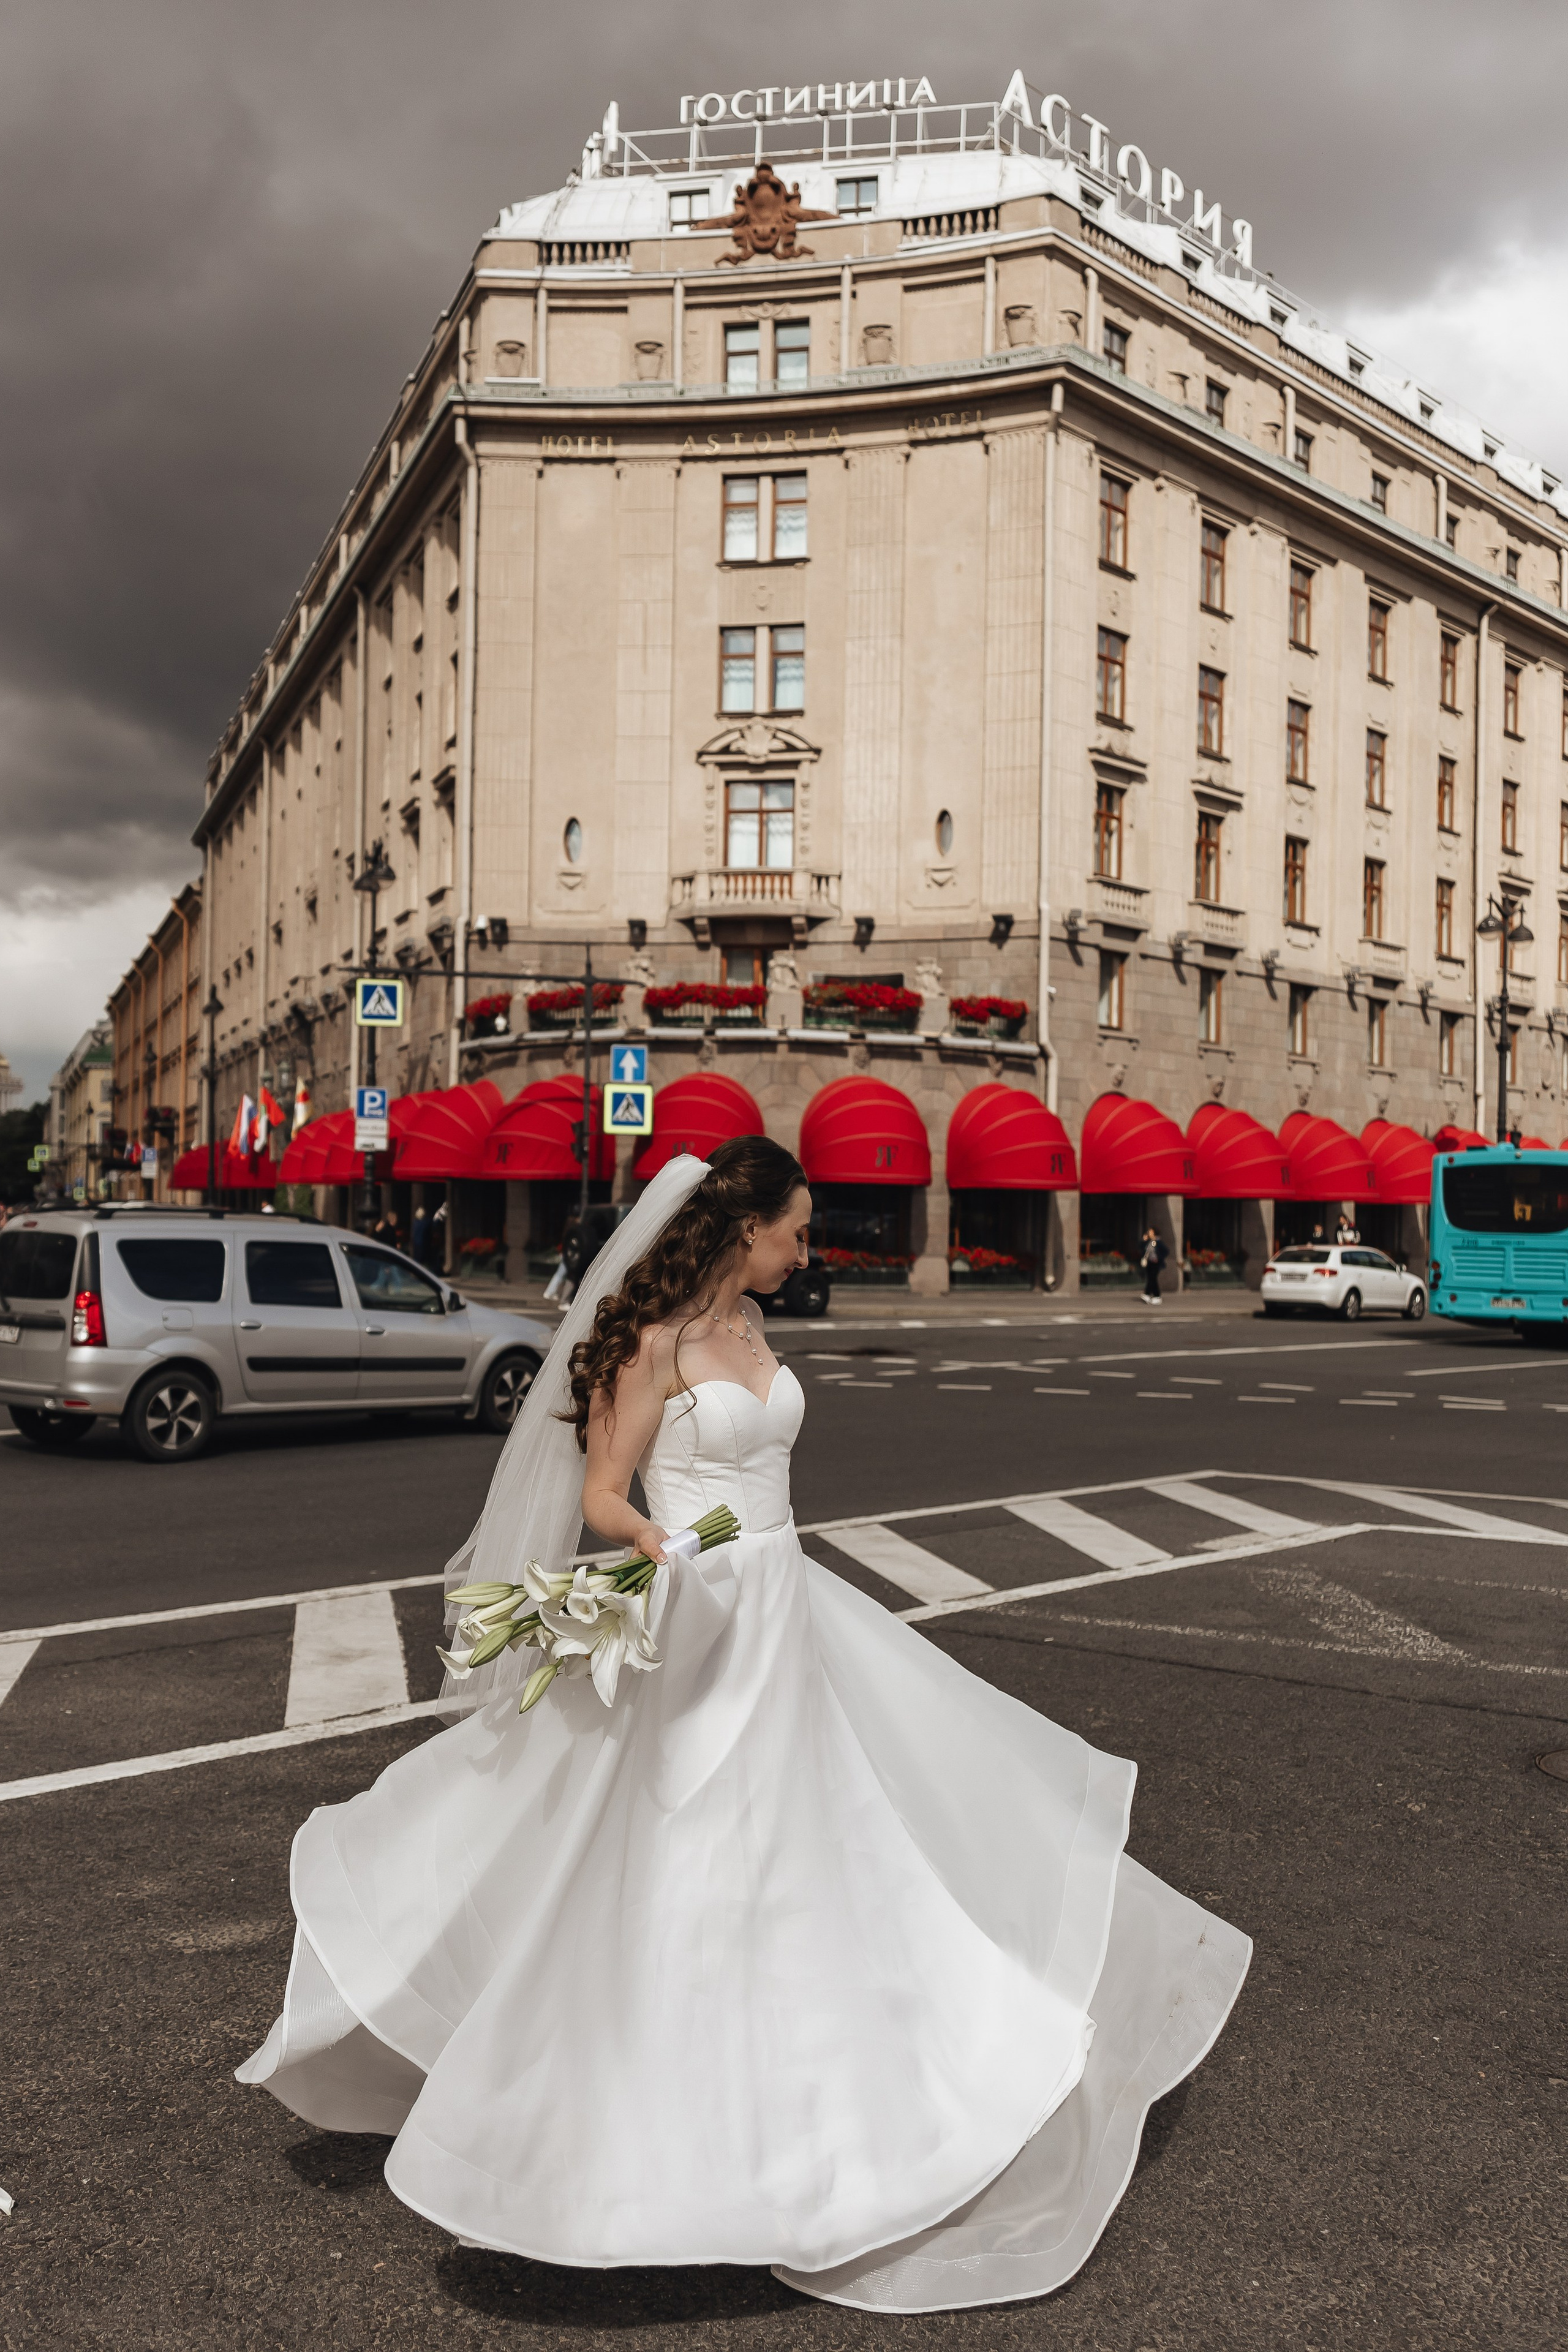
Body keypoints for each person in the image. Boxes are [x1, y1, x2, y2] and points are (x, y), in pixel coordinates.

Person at [236, 1138, 1250, 2311]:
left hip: (786, 1608)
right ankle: (622, 2146)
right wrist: (657, 1546)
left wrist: (732, 1548)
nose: (806, 1249)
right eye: (796, 1229)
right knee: (679, 1858)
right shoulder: (652, 1343)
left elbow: (765, 1478)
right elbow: (603, 1491)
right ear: (742, 1230)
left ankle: (820, 2123)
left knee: (824, 1848)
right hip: (698, 1612)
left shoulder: (759, 1339)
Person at [1140, 1224, 1167, 1305]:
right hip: (1150, 1263)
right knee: (1151, 1278)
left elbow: (1165, 1251)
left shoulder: (1158, 1242)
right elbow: (1143, 1249)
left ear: (1155, 1233)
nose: (1149, 1233)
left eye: (1151, 1232)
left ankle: (1157, 1296)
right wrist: (1144, 1241)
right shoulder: (1150, 1242)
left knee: (1153, 1279)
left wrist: (1158, 1259)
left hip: (1156, 1263)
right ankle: (1148, 1294)